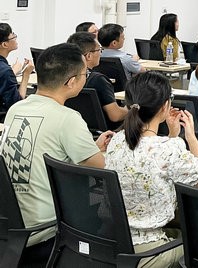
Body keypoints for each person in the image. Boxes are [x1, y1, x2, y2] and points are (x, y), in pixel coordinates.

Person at [0, 43, 113, 261]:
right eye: (85, 74)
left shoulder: (16, 109)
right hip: (45, 228)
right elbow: (102, 168)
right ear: (71, 82)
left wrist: (92, 147)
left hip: (12, 224)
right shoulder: (68, 118)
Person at [105, 72, 198, 267]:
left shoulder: (116, 140)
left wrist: (172, 135)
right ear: (165, 106)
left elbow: (156, 163)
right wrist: (190, 136)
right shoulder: (167, 149)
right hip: (150, 252)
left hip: (116, 241)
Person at [67, 31, 128, 129]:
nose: (101, 53)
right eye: (99, 50)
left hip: (75, 127)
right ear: (89, 56)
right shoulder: (98, 80)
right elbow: (115, 116)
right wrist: (132, 108)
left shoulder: (63, 78)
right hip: (106, 132)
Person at [0, 23, 34, 113]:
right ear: (4, 44)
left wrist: (12, 72)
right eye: (13, 36)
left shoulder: (5, 70)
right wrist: (26, 74)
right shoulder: (5, 71)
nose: (15, 38)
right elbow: (17, 105)